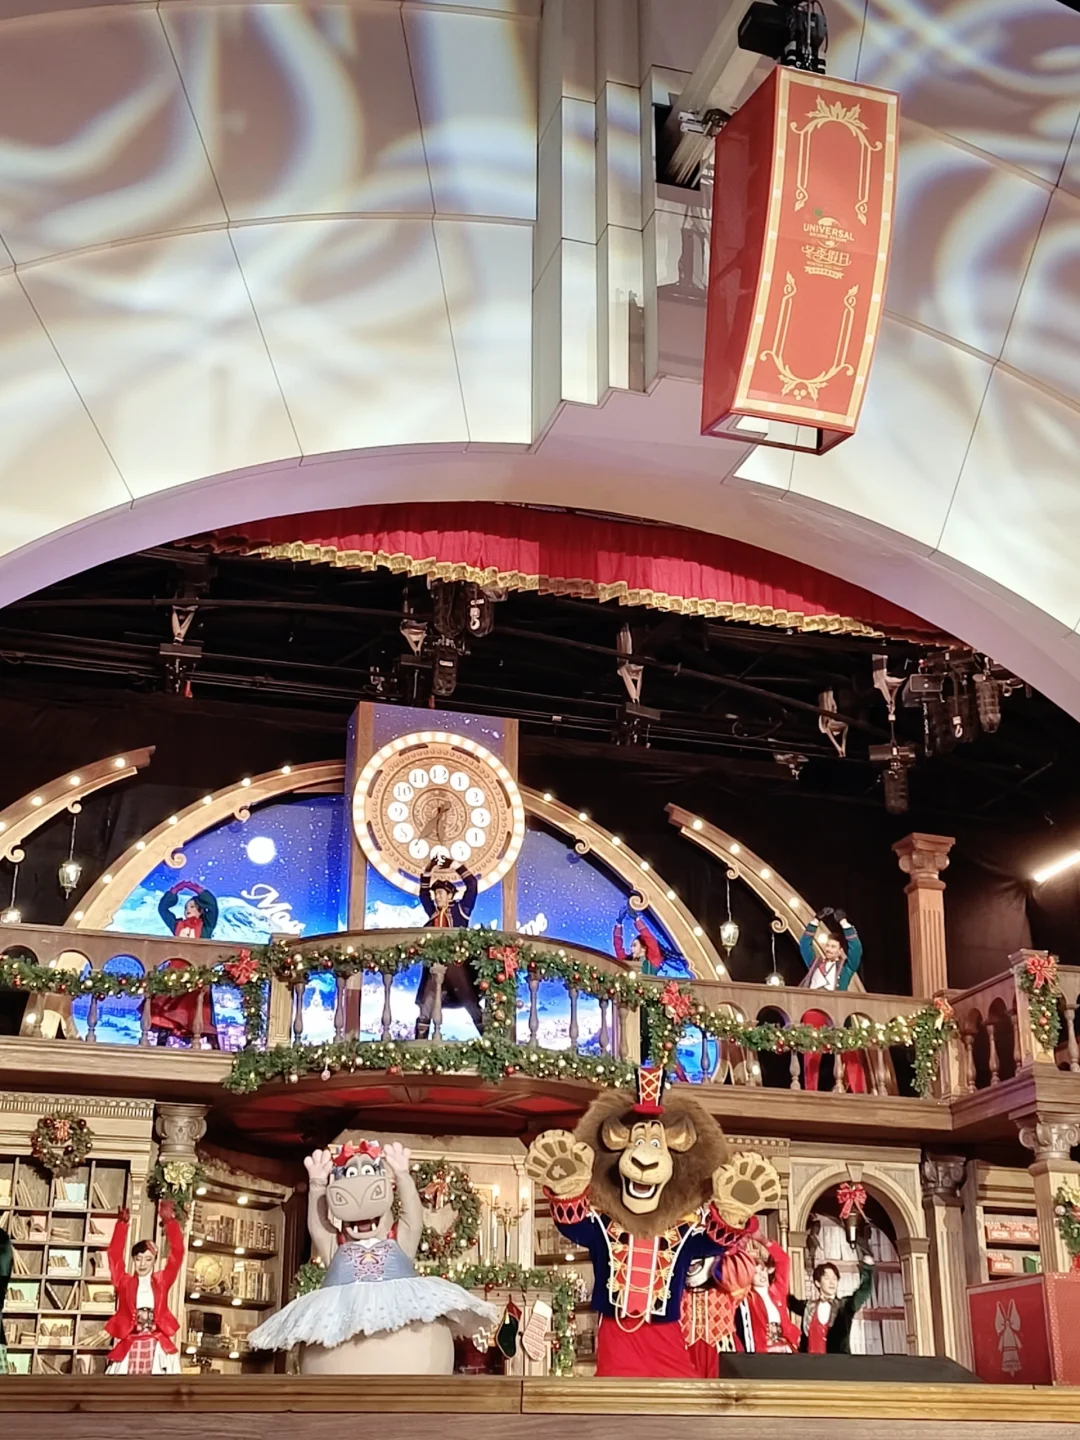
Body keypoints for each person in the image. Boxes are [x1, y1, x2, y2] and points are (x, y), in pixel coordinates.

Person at [104, 1201, 184, 1374]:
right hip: (130, 1342)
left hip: (157, 1343)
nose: (143, 1264)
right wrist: (121, 1226)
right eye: (139, 1259)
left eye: (148, 1259)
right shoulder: (124, 1282)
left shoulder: (161, 1281)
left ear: (154, 1261)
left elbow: (177, 1254)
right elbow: (114, 1256)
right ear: (134, 1259)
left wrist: (170, 1223)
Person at [798, 907, 866, 1093]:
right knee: (811, 1050)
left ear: (840, 951)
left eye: (833, 947)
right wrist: (815, 921)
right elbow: (804, 944)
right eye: (828, 946)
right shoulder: (815, 963)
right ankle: (811, 1091)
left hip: (836, 1010)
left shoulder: (846, 968)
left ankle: (859, 1092)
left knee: (849, 1049)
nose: (829, 949)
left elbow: (856, 949)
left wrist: (844, 923)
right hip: (814, 1009)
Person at [414, 858, 482, 1039]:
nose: (437, 897)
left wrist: (454, 865)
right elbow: (423, 893)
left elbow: (472, 885)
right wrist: (428, 869)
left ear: (450, 896)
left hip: (457, 968)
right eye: (436, 894)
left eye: (440, 893)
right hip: (434, 969)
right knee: (426, 1005)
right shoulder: (433, 914)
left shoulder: (461, 911)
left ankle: (489, 1040)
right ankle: (420, 1044)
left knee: (471, 1003)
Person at [788, 1251, 874, 1355]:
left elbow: (863, 1292)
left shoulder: (845, 1306)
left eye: (835, 1278)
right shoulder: (808, 1306)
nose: (832, 1282)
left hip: (837, 1362)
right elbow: (788, 1300)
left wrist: (867, 1270)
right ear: (818, 1283)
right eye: (827, 1278)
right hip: (809, 1362)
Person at [736, 1231, 801, 1354]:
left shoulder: (777, 1290)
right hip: (762, 1350)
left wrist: (762, 1239)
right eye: (756, 1273)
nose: (761, 1275)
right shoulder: (747, 1297)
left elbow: (783, 1260)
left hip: (786, 1347)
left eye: (762, 1270)